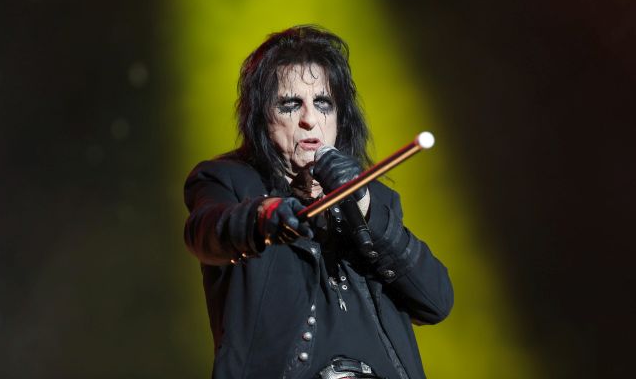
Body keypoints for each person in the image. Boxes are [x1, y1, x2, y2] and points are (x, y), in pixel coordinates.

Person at [184, 25, 453, 379]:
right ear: (261, 117)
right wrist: (264, 217)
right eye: (290, 104)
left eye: (323, 103)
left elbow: (436, 302)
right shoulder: (228, 180)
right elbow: (205, 232)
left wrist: (364, 207)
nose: (310, 120)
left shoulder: (373, 197)